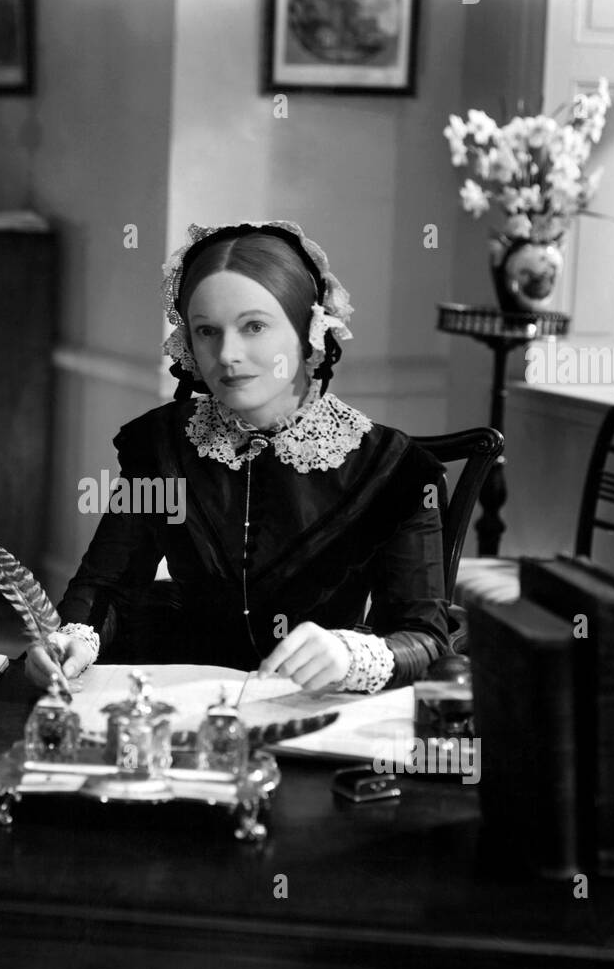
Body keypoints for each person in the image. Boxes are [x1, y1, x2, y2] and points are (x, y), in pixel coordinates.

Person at [26, 220, 451, 693]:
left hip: (310, 719)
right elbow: (107, 586)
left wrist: (350, 655)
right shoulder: (163, 445)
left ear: (308, 329)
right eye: (207, 331)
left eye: (254, 326)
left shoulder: (398, 471)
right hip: (182, 705)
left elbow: (426, 639)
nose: (227, 354)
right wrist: (72, 640)